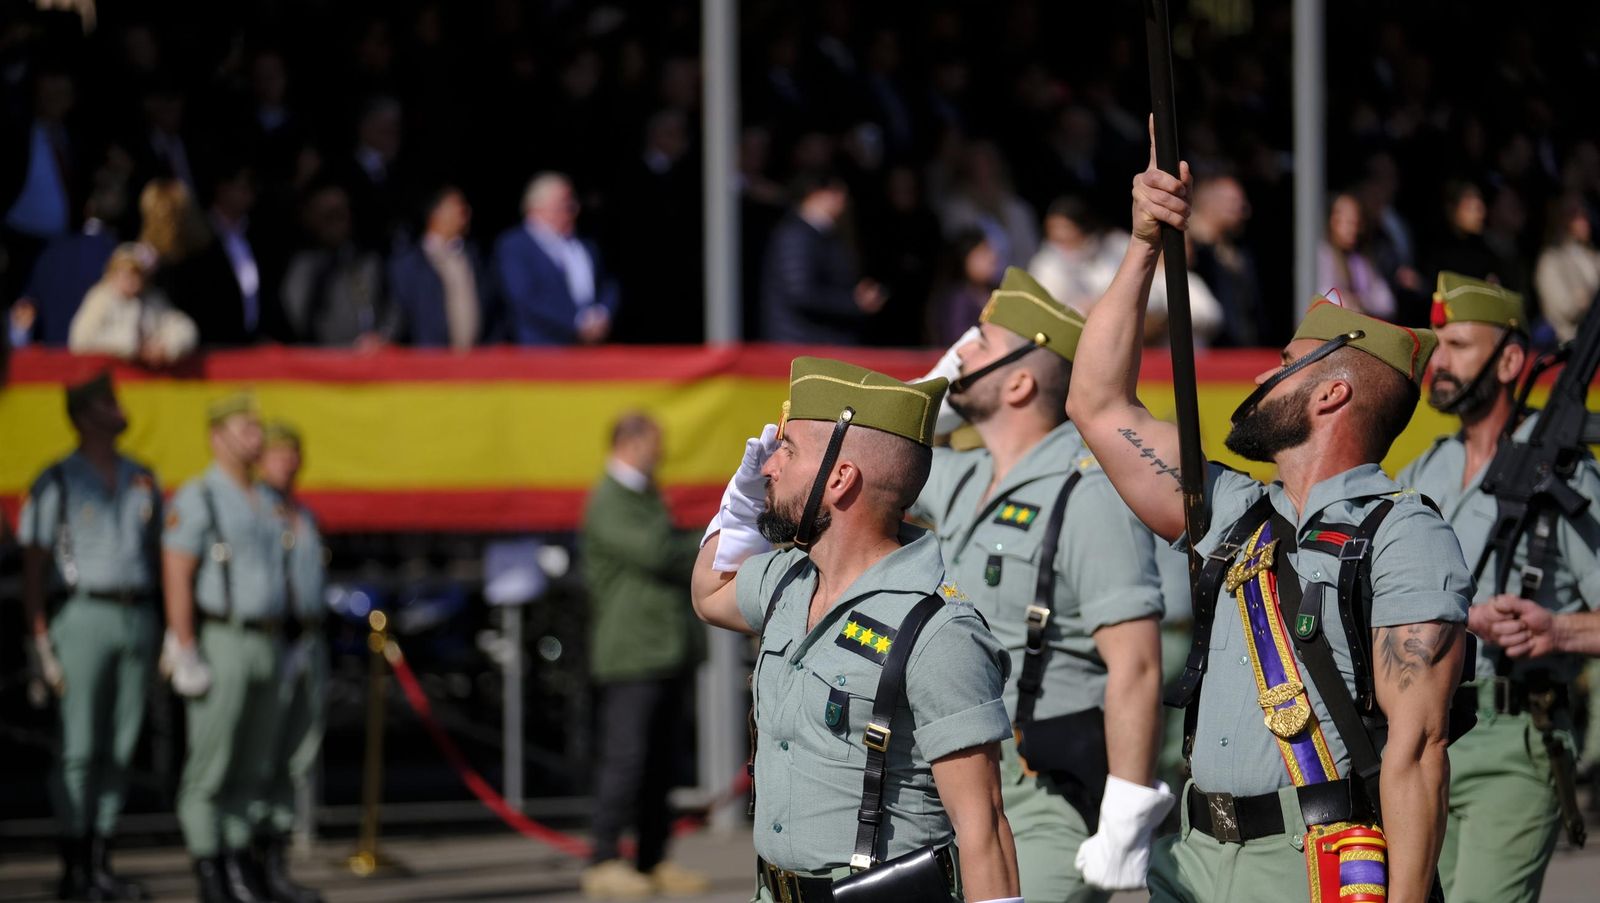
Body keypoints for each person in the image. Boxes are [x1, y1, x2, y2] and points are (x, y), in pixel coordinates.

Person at [1066, 143, 1472, 903]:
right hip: (1191, 861)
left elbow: (1418, 751)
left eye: (1284, 363)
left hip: (1309, 865)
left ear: (1330, 395)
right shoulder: (1234, 509)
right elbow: (1096, 403)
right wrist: (1145, 244)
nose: (1259, 375)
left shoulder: (1404, 533)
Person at [692, 357, 1022, 903]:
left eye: (788, 450)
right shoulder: (788, 579)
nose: (769, 465)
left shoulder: (938, 631)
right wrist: (741, 504)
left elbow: (983, 827)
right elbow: (710, 593)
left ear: (840, 478)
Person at [912, 267, 1173, 901]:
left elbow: (1136, 665)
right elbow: (871, 456)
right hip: (947, 784)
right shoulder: (965, 474)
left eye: (979, 345)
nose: (959, 355)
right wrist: (929, 395)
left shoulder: (1088, 493)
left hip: (1042, 794)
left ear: (1021, 382)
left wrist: (1125, 815)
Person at [1395, 273, 1600, 903]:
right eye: (1437, 346)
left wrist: (1557, 630)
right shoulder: (1425, 470)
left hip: (1513, 738)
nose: (1440, 363)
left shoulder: (1564, 474)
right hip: (1421, 739)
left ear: (1510, 361)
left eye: (1459, 345)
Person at [18, 373, 162, 901]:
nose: (119, 409)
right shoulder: (57, 478)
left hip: (135, 611)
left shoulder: (141, 476)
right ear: (82, 416)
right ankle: (75, 861)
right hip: (82, 612)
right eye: (107, 402)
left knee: (121, 745)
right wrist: (39, 638)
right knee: (79, 746)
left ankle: (102, 859)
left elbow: (156, 551)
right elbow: (35, 565)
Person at [162, 393, 290, 903]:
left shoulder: (264, 498)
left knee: (252, 764)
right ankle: (209, 870)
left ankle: (240, 864)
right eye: (245, 428)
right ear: (217, 437)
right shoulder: (201, 495)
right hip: (223, 637)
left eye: (258, 428)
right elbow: (177, 569)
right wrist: (184, 645)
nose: (256, 437)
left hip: (267, 639)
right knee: (210, 767)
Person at [577, 414, 711, 900]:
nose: (661, 453)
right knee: (626, 760)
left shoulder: (642, 495)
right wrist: (708, 543)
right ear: (629, 443)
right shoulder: (611, 499)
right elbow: (657, 551)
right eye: (655, 443)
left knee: (661, 763)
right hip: (632, 652)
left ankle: (652, 857)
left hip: (663, 649)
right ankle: (603, 859)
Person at [253, 422, 328, 903]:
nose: (288, 462)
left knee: (295, 753)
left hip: (307, 640)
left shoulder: (305, 515)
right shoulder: (254, 511)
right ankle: (244, 862)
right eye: (278, 453)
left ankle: (274, 861)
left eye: (293, 453)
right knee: (258, 754)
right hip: (269, 639)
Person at [758, 171, 885, 344]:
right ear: (814, 192)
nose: (843, 199)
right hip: (803, 344)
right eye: (835, 191)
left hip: (818, 341)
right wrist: (854, 302)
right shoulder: (796, 235)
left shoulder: (823, 234)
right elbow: (800, 292)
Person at [493, 172, 619, 346]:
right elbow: (524, 298)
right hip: (541, 349)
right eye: (564, 204)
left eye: (572, 203)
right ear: (537, 207)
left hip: (588, 346)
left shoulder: (585, 244)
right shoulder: (515, 245)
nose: (573, 209)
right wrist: (576, 323)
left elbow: (608, 283)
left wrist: (602, 314)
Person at [277, 182, 392, 347]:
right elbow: (295, 319)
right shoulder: (301, 266)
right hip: (319, 356)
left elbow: (393, 310)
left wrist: (382, 336)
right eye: (328, 217)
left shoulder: (368, 261)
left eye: (340, 215)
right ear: (311, 218)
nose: (335, 224)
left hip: (367, 355)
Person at [389, 186, 490, 350]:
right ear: (435, 213)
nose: (465, 214)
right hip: (428, 359)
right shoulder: (409, 264)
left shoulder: (475, 257)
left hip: (475, 358)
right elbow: (400, 315)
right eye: (458, 207)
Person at [68, 243, 198, 365]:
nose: (130, 279)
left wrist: (166, 347)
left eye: (136, 274)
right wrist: (132, 345)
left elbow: (185, 329)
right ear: (112, 273)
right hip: (107, 376)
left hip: (147, 379)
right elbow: (80, 340)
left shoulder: (153, 300)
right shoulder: (100, 298)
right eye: (125, 273)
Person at [1187, 174, 1262, 347]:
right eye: (1233, 202)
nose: (1243, 209)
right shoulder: (1193, 248)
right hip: (1208, 350)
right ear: (1209, 202)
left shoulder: (1240, 251)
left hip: (1244, 349)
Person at [1317, 191, 1397, 321]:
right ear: (1333, 220)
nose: (1353, 229)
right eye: (1348, 222)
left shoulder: (1362, 260)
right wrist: (1345, 301)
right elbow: (1322, 293)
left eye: (1356, 223)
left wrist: (1360, 301)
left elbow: (1386, 302)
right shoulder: (1323, 255)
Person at [1533, 193, 1600, 343]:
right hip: (1571, 342)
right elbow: (1567, 309)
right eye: (1575, 214)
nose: (1584, 220)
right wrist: (1586, 300)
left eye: (1585, 212)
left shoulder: (1592, 255)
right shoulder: (1551, 260)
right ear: (1561, 219)